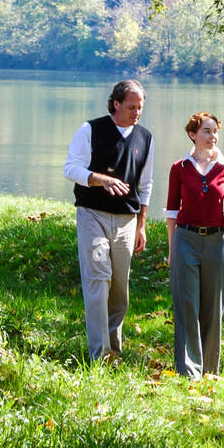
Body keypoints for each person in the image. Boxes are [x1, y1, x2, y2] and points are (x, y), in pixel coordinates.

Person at [63, 80, 153, 362]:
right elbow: (70, 168)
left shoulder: (145, 137)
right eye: (131, 106)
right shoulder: (90, 129)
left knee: (119, 287)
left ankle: (115, 347)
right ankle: (99, 354)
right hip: (93, 215)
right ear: (116, 103)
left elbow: (145, 185)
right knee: (98, 279)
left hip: (126, 220)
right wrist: (99, 179)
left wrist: (141, 225)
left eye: (140, 107)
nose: (136, 112)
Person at [165, 112, 224, 379]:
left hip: (216, 240)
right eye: (206, 131)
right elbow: (172, 213)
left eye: (215, 131)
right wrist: (171, 249)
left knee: (213, 305)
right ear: (193, 134)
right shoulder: (179, 168)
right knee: (186, 303)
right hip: (185, 239)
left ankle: (209, 368)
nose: (212, 137)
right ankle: (189, 370)